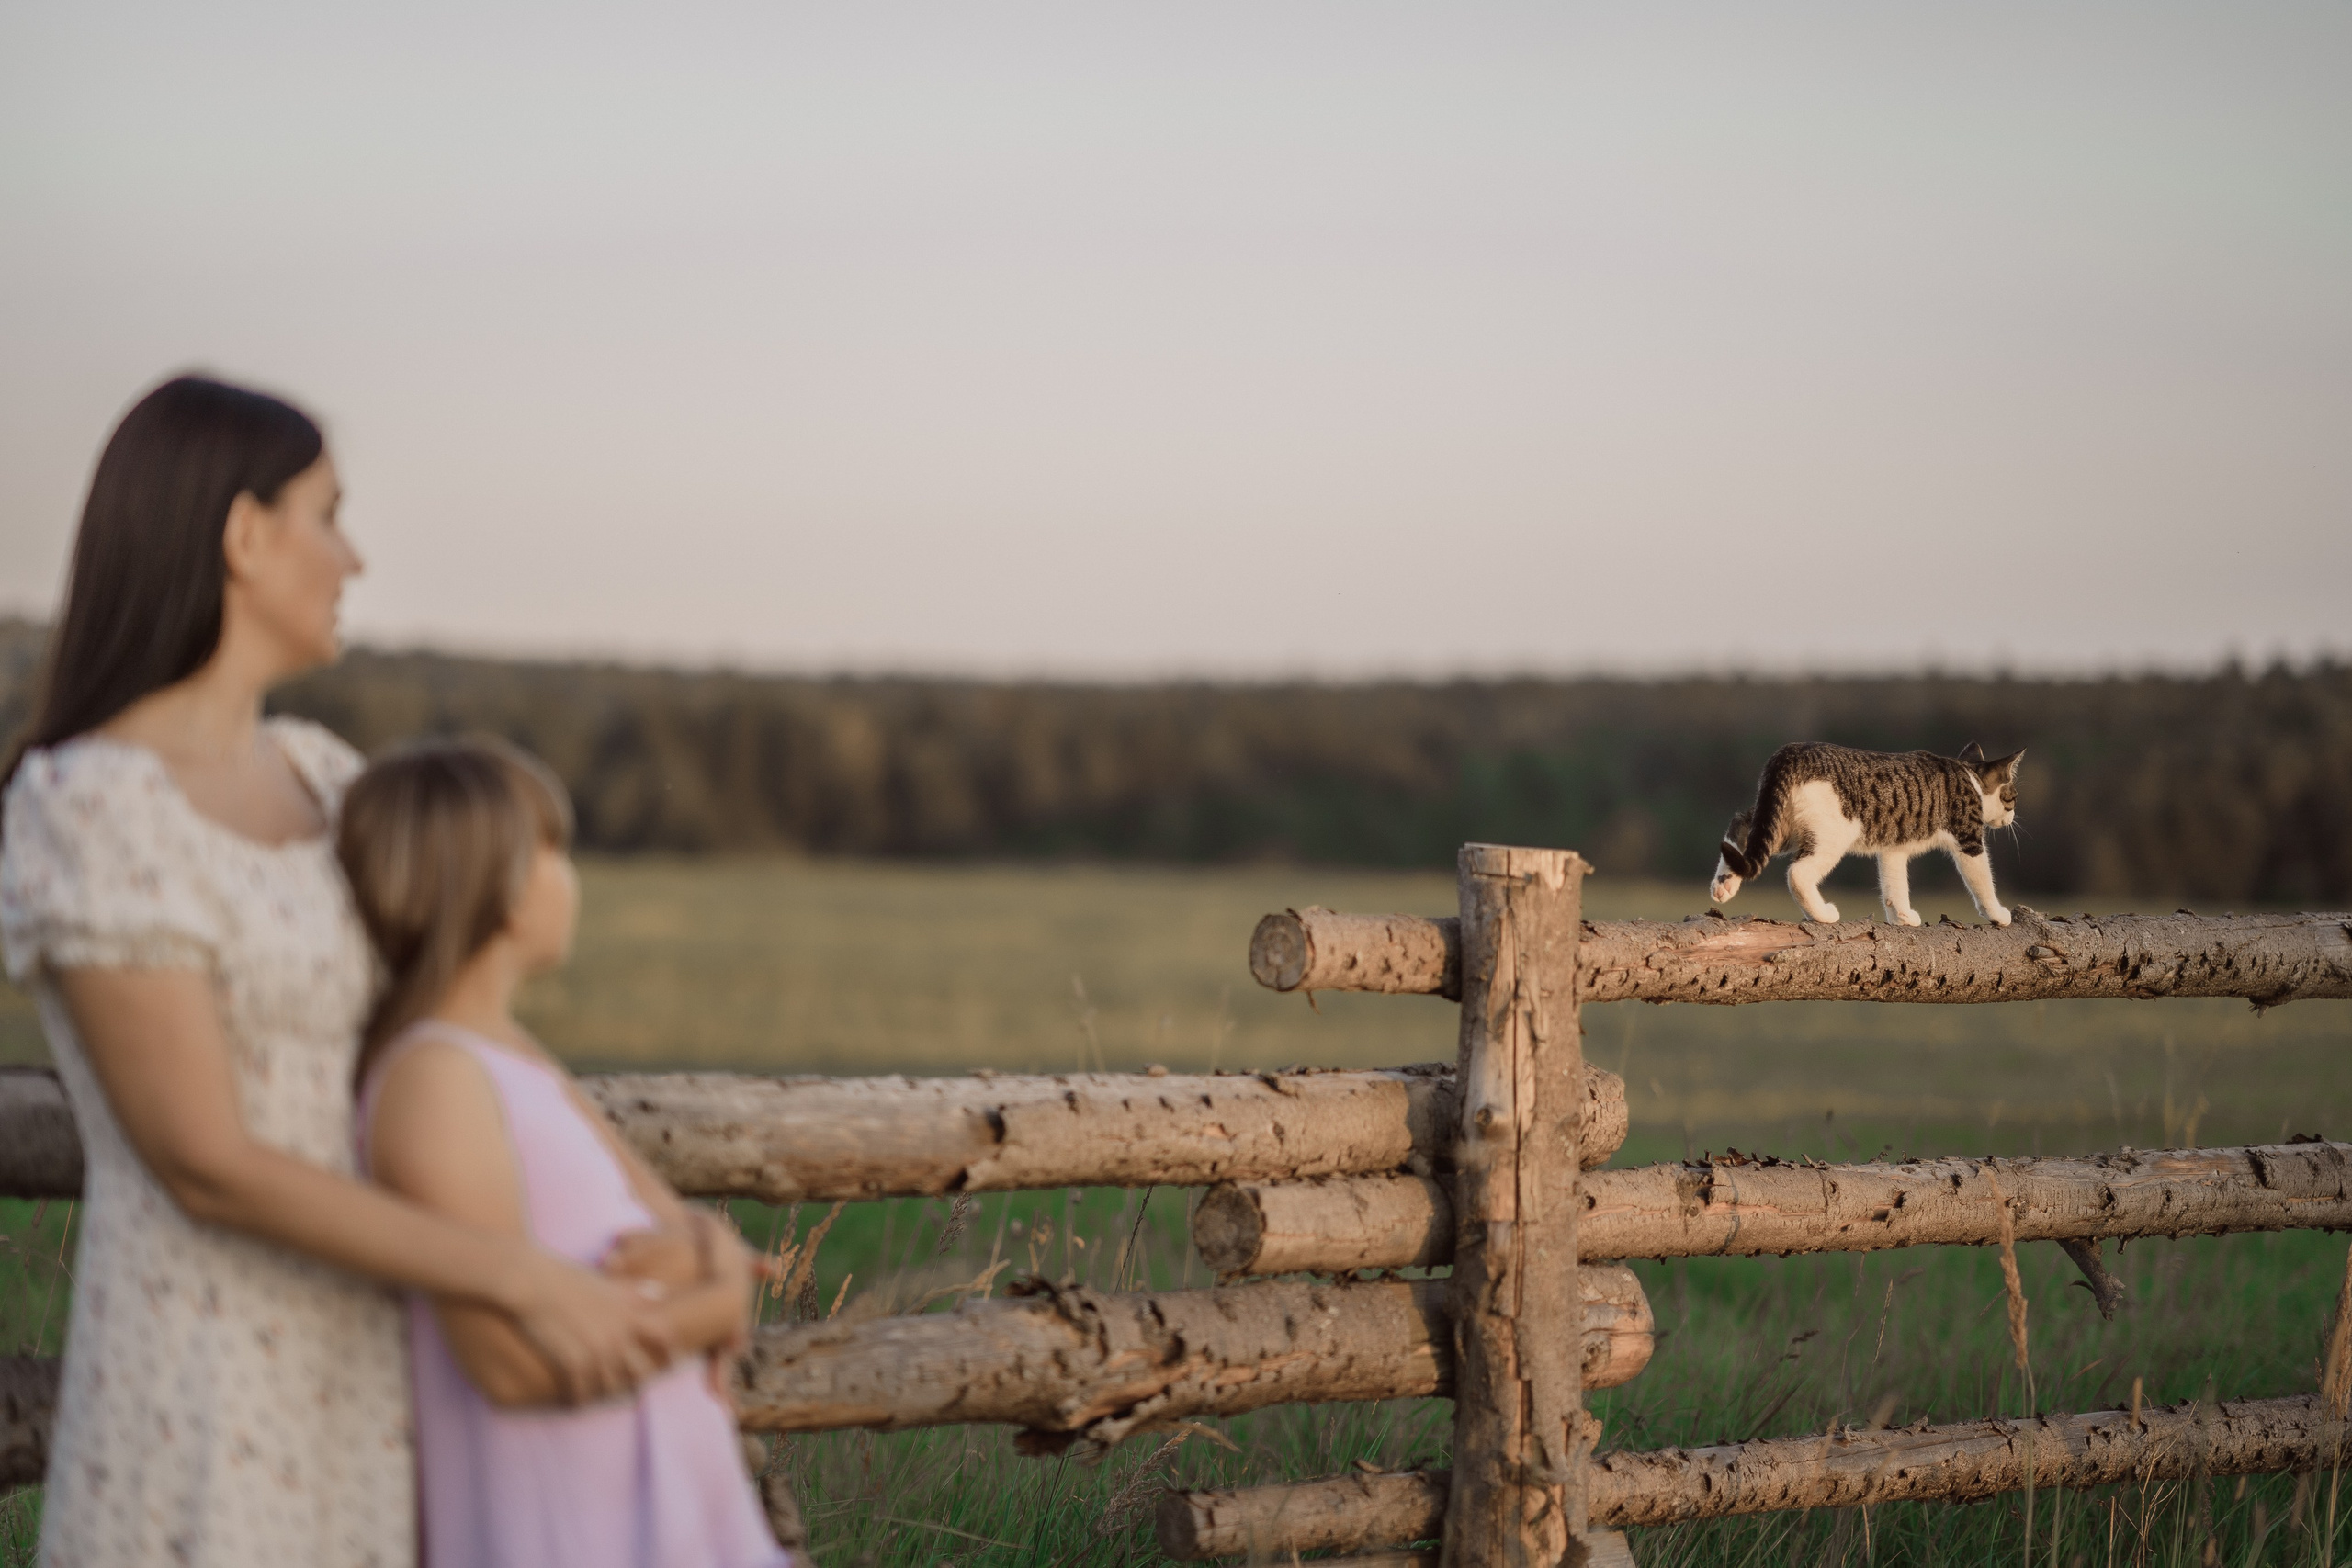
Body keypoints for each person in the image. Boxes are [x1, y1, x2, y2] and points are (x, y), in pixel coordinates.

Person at [0, 376, 677, 1568]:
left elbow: (462, 1021)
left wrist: (657, 1215)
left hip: (377, 1377)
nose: (354, 556)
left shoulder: (326, 777)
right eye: (328, 514)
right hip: (199, 1384)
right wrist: (519, 1277)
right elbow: (205, 1162)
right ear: (243, 534)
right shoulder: (92, 806)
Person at [338, 735, 790, 1568]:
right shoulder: (434, 1079)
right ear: (503, 887)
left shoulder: (513, 1054)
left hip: (645, 1498)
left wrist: (712, 1260)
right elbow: (506, 1366)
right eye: (554, 851)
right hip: (561, 1517)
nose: (569, 877)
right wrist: (713, 1307)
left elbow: (688, 1229)